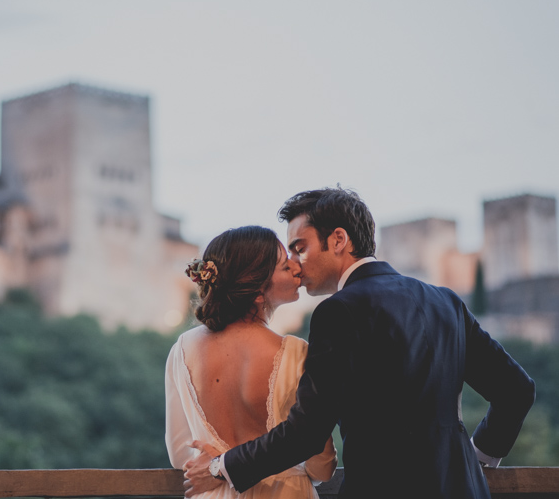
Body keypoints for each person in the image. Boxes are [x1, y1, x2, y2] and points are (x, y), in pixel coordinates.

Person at [184, 188, 536, 499]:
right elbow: (516, 390)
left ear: (338, 240)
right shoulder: (446, 301)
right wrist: (477, 458)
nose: (295, 263)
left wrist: (220, 466)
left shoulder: (338, 311)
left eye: (300, 247)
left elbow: (305, 434)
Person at [166, 225, 337, 499]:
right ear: (257, 292)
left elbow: (179, 455)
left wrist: (217, 466)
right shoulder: (296, 352)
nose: (297, 267)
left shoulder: (181, 350)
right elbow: (322, 467)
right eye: (284, 267)